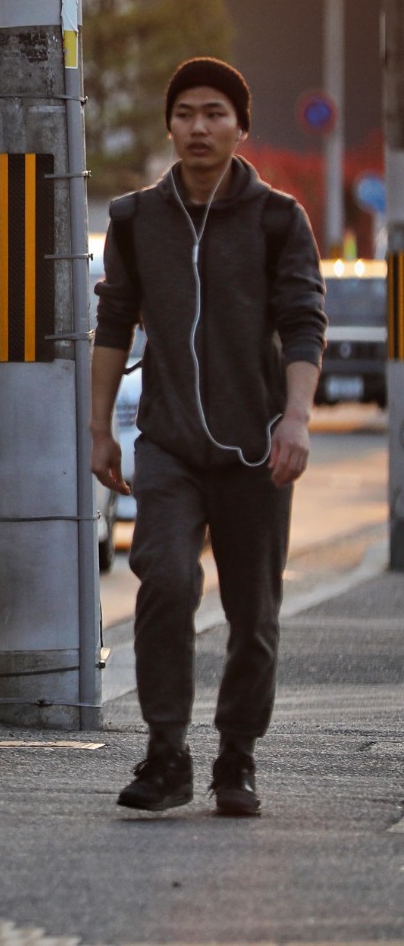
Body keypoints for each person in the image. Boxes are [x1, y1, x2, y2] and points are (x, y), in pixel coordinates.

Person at [92, 56, 326, 817]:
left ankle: (236, 757)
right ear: (170, 125)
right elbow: (112, 324)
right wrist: (99, 430)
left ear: (241, 127)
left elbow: (302, 323)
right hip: (168, 444)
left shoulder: (278, 219)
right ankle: (166, 754)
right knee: (165, 577)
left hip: (256, 449)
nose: (199, 126)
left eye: (215, 113)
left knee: (254, 613)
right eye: (186, 112)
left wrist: (295, 418)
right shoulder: (134, 220)